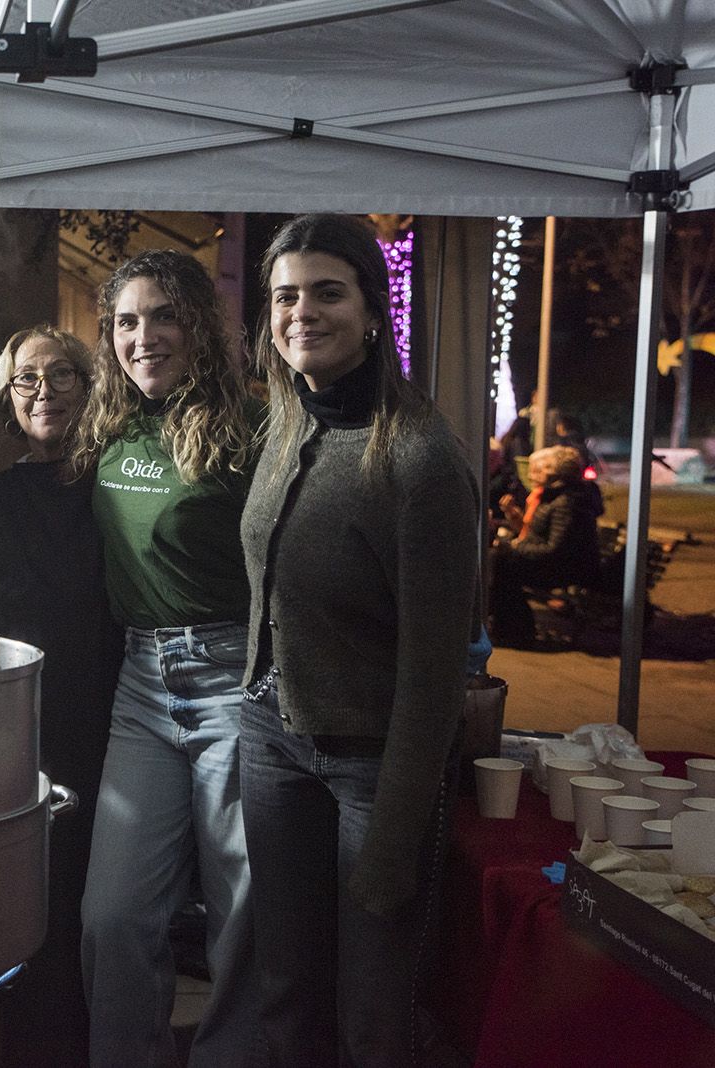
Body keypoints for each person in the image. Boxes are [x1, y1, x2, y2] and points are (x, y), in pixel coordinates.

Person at [238, 213, 480, 1066]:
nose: (303, 312)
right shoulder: (284, 425)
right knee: (287, 989)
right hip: (271, 743)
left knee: (374, 1011)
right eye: (285, 296)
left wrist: (397, 837)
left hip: (375, 765)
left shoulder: (420, 460)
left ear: (373, 309)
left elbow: (435, 674)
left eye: (327, 292)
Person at [69, 249, 263, 1068]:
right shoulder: (108, 426)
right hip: (141, 685)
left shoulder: (251, 426)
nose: (143, 336)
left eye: (163, 316)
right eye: (125, 321)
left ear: (198, 326)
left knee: (243, 915)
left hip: (236, 680)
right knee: (112, 918)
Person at [0, 326, 121, 1067]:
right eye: (27, 379)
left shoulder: (119, 484)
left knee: (99, 909)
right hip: (17, 735)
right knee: (26, 905)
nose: (43, 393)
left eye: (62, 376)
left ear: (91, 390)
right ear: (7, 398)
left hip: (113, 727)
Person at [488, 444, 604, 646]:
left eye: (537, 470)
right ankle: (509, 627)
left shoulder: (567, 502)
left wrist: (513, 548)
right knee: (498, 561)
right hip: (559, 564)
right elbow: (539, 537)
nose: (531, 475)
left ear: (555, 472)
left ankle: (516, 630)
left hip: (568, 569)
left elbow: (556, 549)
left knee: (502, 565)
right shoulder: (554, 496)